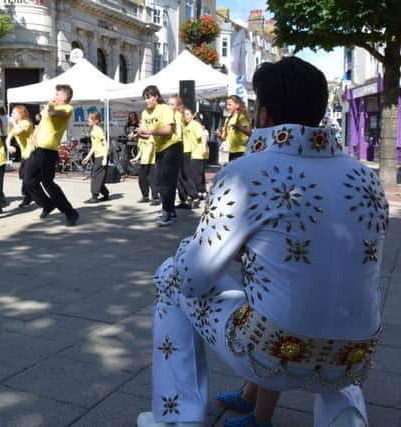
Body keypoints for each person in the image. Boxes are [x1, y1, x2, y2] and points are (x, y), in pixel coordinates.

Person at [136, 56, 388, 427]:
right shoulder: (363, 176)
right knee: (334, 306)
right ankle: (344, 418)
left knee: (171, 276)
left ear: (265, 115)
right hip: (355, 353)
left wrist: (194, 249)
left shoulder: (245, 172)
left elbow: (194, 278)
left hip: (275, 351)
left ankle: (177, 417)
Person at [24, 84, 79, 227]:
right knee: (29, 180)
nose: (54, 97)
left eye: (58, 94)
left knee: (47, 183)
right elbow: (40, 123)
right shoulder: (50, 108)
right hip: (38, 148)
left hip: (49, 150)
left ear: (65, 97)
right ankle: (47, 205)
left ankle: (70, 212)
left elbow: (54, 114)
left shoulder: (67, 108)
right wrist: (34, 137)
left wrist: (49, 105)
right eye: (55, 94)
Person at [137, 85, 181, 226]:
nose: (147, 101)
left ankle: (166, 212)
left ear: (156, 96)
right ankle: (171, 210)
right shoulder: (144, 113)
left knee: (165, 181)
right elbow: (147, 135)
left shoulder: (164, 109)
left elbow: (168, 130)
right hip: (159, 148)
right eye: (145, 98)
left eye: (149, 97)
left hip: (172, 146)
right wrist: (140, 134)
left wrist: (149, 131)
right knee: (164, 181)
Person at [6, 105, 34, 208]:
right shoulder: (16, 124)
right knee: (23, 176)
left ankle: (28, 197)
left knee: (27, 178)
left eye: (14, 113)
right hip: (24, 155)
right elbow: (8, 137)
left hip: (32, 153)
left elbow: (18, 131)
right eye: (12, 113)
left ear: (21, 114)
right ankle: (30, 195)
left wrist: (13, 122)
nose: (12, 115)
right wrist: (9, 146)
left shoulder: (26, 123)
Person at [82, 111, 110, 204]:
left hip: (102, 155)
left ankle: (94, 196)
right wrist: (88, 156)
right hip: (97, 155)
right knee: (98, 175)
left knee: (95, 175)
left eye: (90, 119)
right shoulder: (93, 130)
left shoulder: (98, 130)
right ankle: (105, 194)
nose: (88, 120)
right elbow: (94, 145)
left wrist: (105, 158)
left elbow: (105, 144)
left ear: (96, 120)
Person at [215, 95, 252, 161]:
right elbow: (224, 138)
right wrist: (219, 135)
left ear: (237, 105)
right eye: (227, 105)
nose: (227, 107)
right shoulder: (228, 119)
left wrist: (240, 128)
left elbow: (250, 133)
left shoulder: (241, 117)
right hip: (231, 152)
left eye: (230, 105)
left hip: (242, 151)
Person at [186, 108, 208, 200]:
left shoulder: (195, 124)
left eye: (187, 114)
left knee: (196, 175)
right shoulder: (189, 125)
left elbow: (203, 136)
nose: (185, 116)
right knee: (199, 174)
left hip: (197, 153)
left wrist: (203, 148)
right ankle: (202, 192)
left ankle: (198, 193)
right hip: (194, 152)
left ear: (193, 115)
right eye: (184, 114)